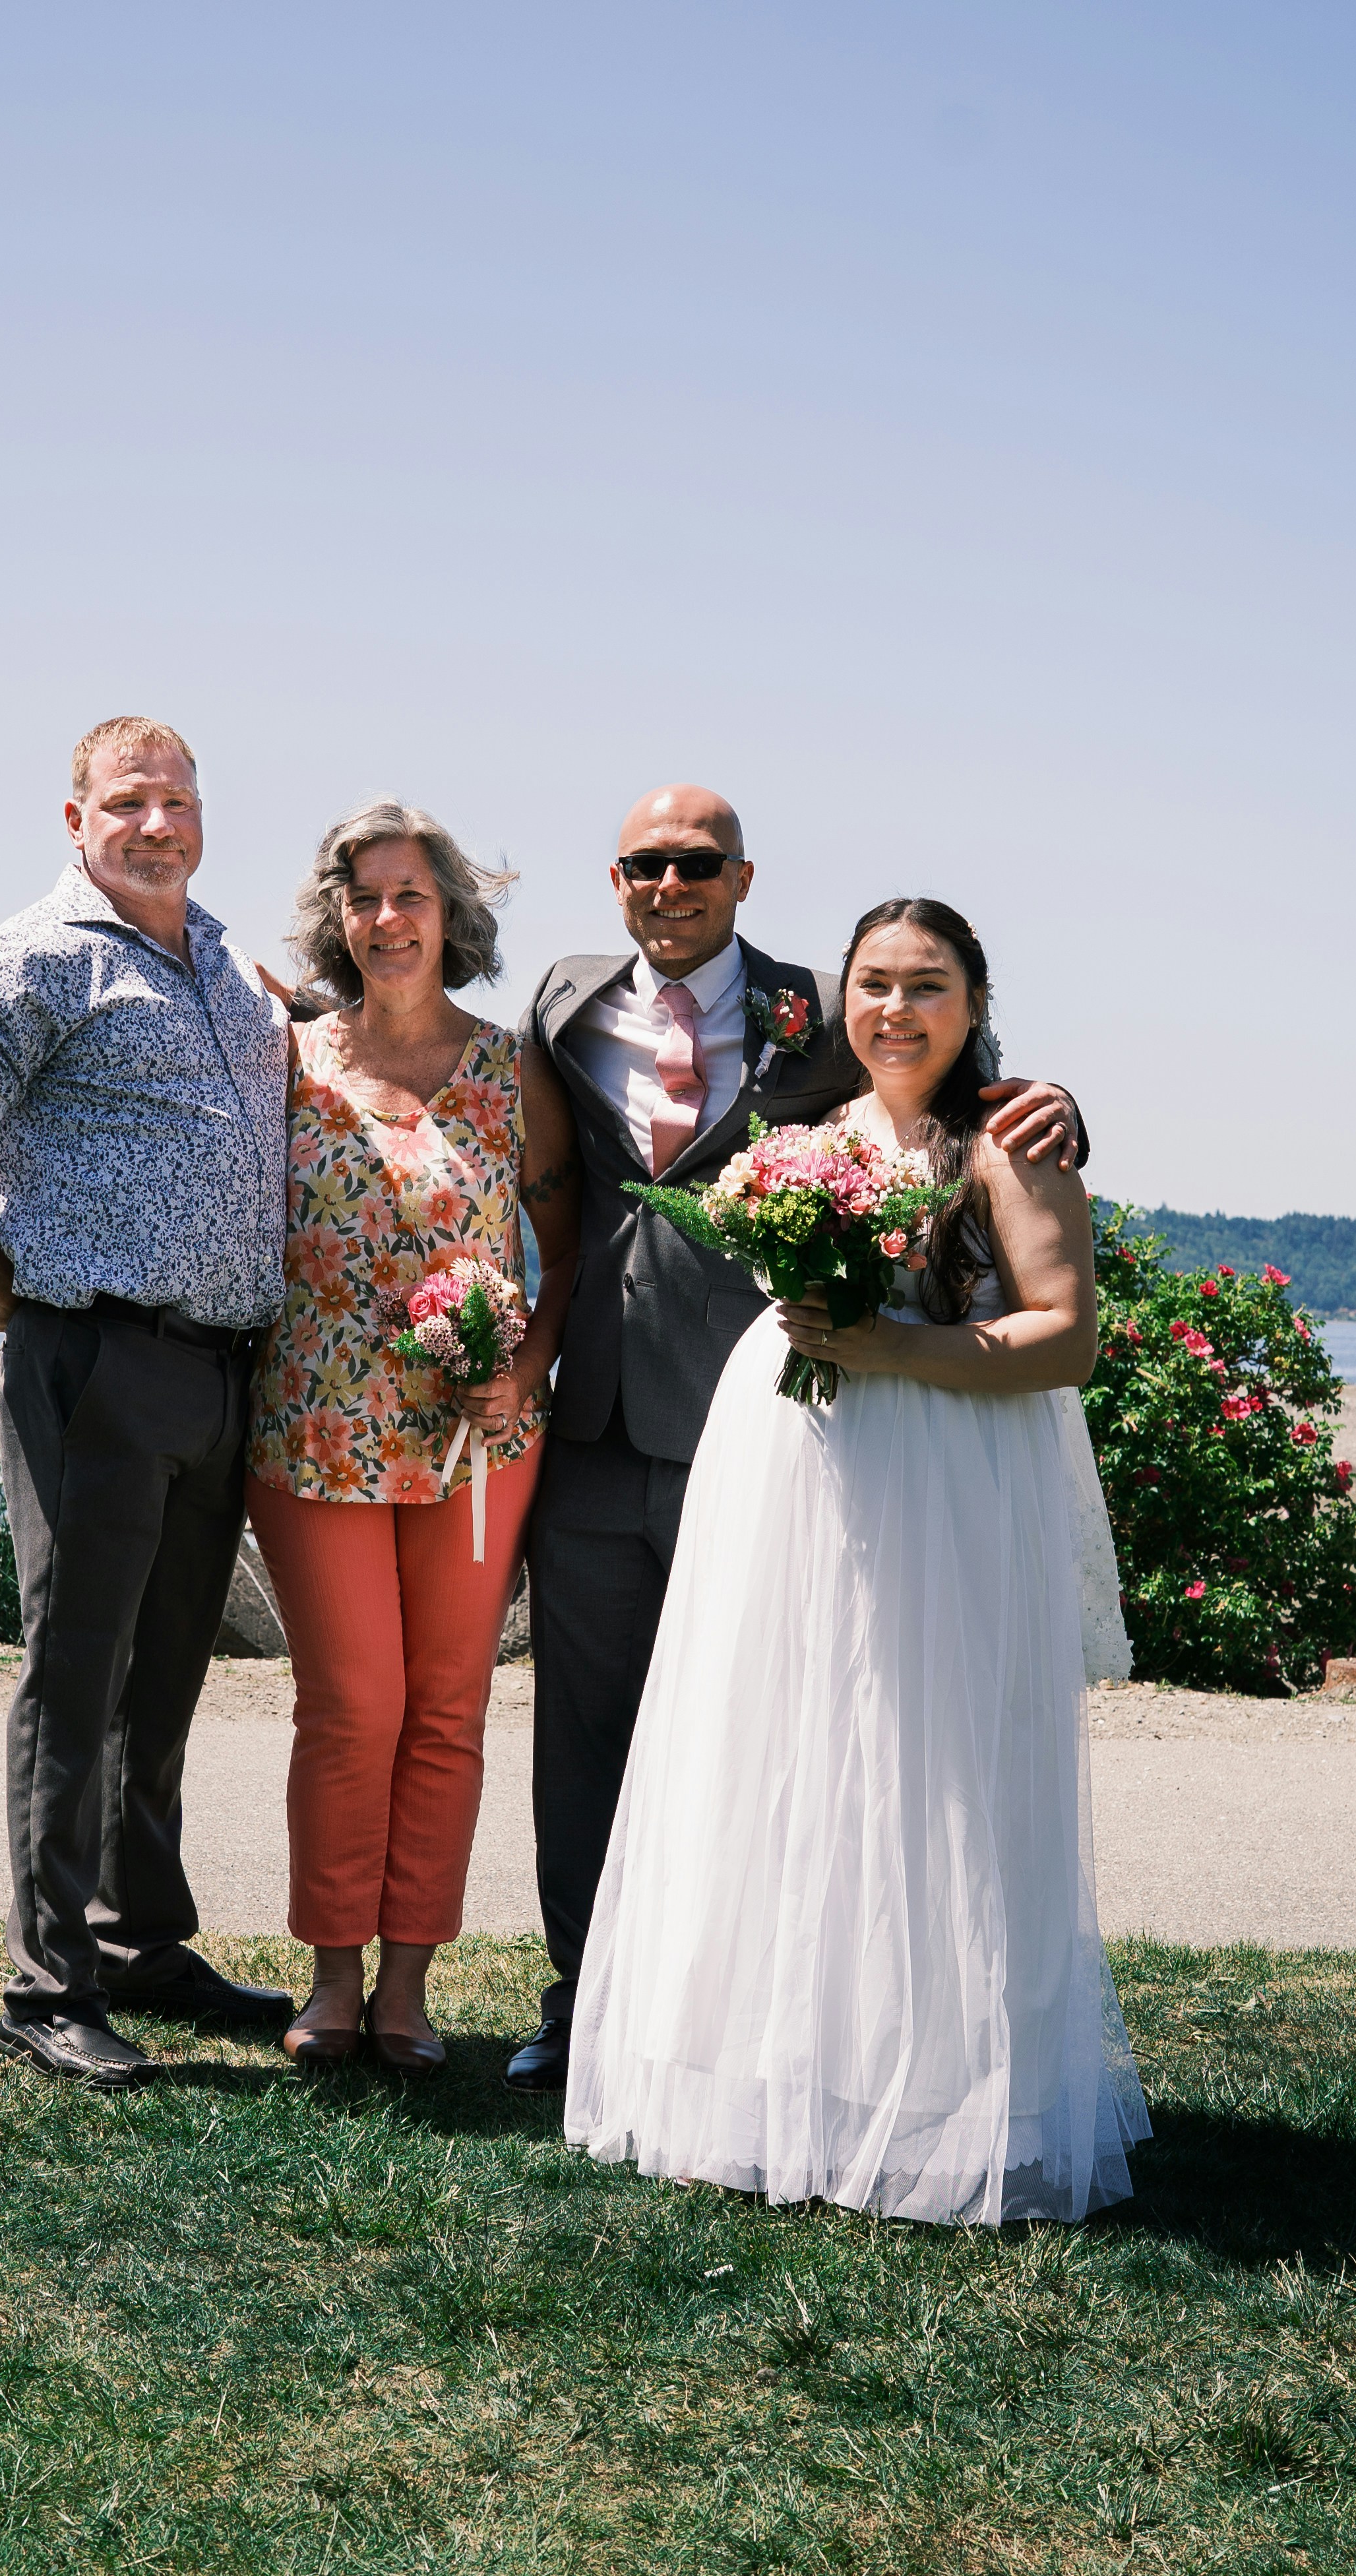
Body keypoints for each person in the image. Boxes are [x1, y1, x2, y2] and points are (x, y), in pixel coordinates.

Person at [566, 897, 1149, 2223]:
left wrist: (892, 1352)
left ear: (972, 998)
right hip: (791, 1473)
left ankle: (941, 2095)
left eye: (926, 984)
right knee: (786, 1752)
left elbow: (1064, 1340)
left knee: (927, 1761)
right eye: (874, 983)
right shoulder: (806, 1136)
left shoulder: (1012, 1140)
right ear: (842, 999)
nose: (895, 1008)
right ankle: (790, 2083)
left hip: (944, 1471)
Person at [507, 785, 1086, 2092]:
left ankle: (797, 2014)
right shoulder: (563, 1001)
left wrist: (1049, 1101)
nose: (672, 882)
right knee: (590, 1735)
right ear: (615, 878)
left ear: (742, 876)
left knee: (780, 1724)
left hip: (783, 1429)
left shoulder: (813, 1018)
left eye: (697, 862)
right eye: (647, 862)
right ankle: (585, 2001)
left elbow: (936, 1071)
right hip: (600, 1420)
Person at [0, 716, 296, 2089]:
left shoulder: (232, 963)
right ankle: (45, 1986)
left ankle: (138, 1943)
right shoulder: (31, 958)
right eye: (128, 802)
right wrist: (3, 1281)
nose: (159, 823)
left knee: (166, 1675)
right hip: (97, 1361)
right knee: (77, 1676)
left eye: (178, 799)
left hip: (224, 1368)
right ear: (75, 822)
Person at [247, 801, 580, 2076]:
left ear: (453, 917)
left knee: (446, 1710)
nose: (389, 919)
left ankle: (407, 1988)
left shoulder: (511, 1071)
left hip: (477, 1447)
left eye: (413, 897)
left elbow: (567, 1240)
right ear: (340, 920)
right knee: (353, 1705)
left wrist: (527, 1371)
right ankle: (331, 1981)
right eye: (366, 897)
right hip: (315, 1428)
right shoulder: (288, 1060)